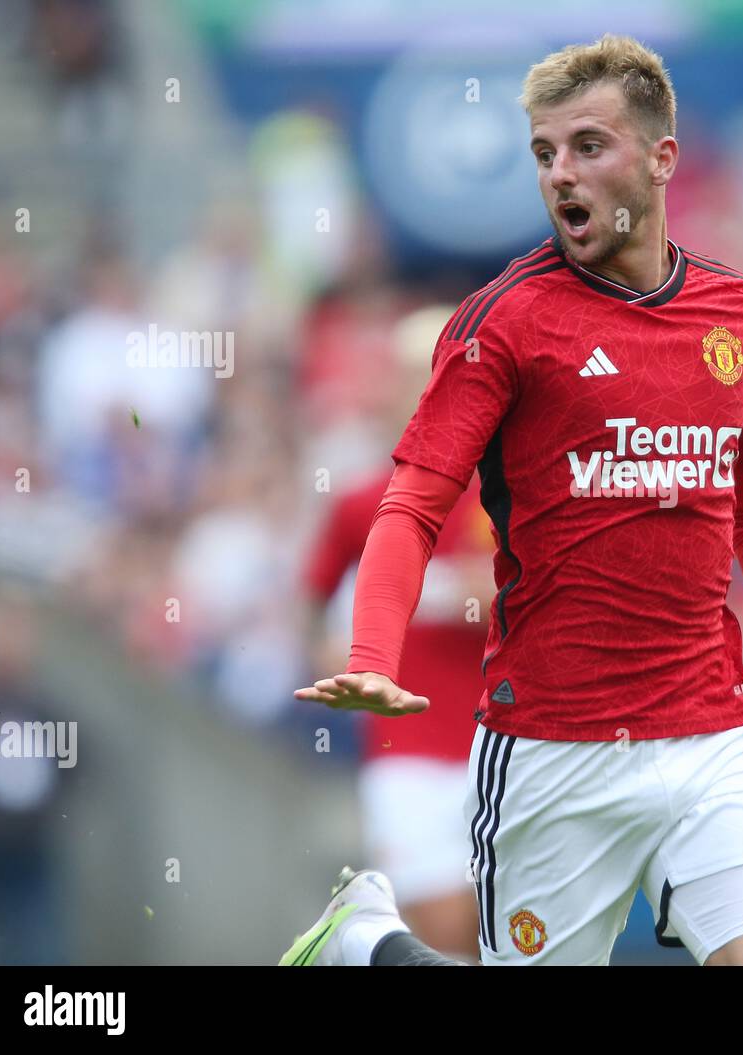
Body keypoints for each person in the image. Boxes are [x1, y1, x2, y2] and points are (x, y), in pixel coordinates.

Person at [285, 33, 743, 968]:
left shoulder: (742, 316)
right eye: (544, 154)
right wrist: (373, 654)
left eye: (587, 146)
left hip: (711, 737)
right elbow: (411, 506)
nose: (561, 174)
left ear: (663, 158)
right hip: (555, 749)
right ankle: (370, 941)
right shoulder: (504, 324)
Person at [299, 306, 492, 959]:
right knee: (435, 923)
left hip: (496, 741)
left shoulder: (503, 495)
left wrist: (481, 592)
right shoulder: (360, 503)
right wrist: (332, 658)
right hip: (402, 746)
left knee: (501, 925)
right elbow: (314, 608)